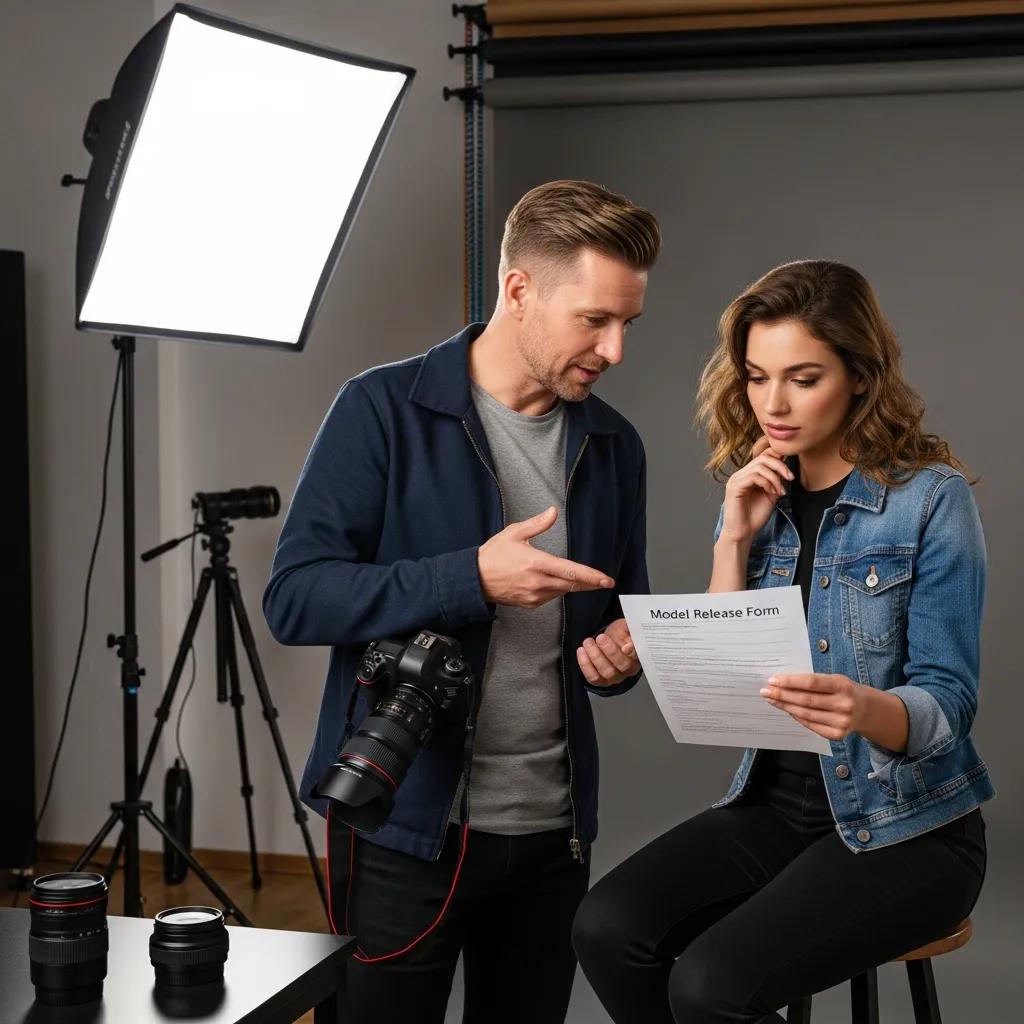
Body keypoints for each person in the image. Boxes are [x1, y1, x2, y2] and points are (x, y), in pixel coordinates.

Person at [263, 179, 661, 1023]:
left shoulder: (615, 446)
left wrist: (624, 654)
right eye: (595, 319)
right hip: (403, 827)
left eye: (629, 323)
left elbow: (621, 618)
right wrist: (470, 578)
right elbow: (296, 597)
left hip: (555, 836)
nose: (616, 349)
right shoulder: (381, 410)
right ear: (519, 290)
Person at [572, 259, 993, 1024]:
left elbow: (949, 703)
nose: (774, 404)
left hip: (910, 824)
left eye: (803, 378)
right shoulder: (757, 491)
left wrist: (865, 709)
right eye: (757, 377)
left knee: (709, 986)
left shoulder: (931, 500)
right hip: (774, 807)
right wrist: (733, 540)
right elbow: (725, 682)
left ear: (859, 377)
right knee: (606, 929)